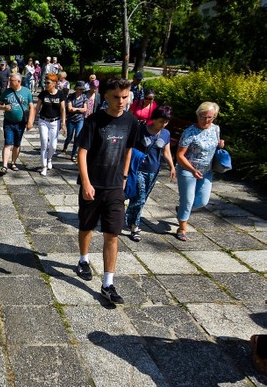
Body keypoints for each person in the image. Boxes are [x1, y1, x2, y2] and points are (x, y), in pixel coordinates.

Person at [75, 78, 139, 304]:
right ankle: (83, 259)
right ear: (105, 96)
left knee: (113, 234)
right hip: (93, 183)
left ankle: (108, 283)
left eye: (125, 97)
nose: (121, 101)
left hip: (114, 187)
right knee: (86, 226)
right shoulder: (94, 121)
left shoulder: (131, 121)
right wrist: (86, 182)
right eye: (116, 97)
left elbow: (128, 150)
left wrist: (123, 178)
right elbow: (82, 153)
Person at [124, 106, 176, 241]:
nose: (163, 124)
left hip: (154, 170)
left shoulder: (165, 133)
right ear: (153, 119)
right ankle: (135, 226)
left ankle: (128, 217)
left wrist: (172, 166)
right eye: (160, 121)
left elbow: (166, 151)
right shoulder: (141, 130)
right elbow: (129, 148)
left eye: (166, 122)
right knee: (140, 198)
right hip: (139, 169)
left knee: (141, 199)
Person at [175, 102, 224, 241]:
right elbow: (179, 155)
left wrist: (220, 144)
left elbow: (214, 144)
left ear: (214, 117)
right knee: (188, 200)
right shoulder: (189, 132)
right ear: (198, 115)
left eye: (210, 117)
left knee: (202, 201)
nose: (206, 120)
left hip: (206, 171)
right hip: (188, 170)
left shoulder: (215, 129)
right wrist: (192, 169)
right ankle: (182, 228)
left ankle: (182, 210)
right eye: (203, 116)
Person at [0, 73, 34, 175]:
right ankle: (4, 166)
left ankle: (13, 163)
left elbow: (32, 107)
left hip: (21, 123)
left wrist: (30, 121)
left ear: (18, 82)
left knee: (17, 144)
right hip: (8, 122)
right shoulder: (6, 92)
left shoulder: (27, 92)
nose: (9, 82)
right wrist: (3, 107)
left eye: (11, 81)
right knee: (8, 143)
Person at [33, 73, 67, 176]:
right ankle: (44, 166)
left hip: (55, 122)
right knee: (44, 144)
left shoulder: (60, 94)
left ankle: (49, 159)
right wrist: (31, 120)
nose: (46, 84)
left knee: (53, 145)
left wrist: (63, 123)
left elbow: (62, 109)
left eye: (48, 82)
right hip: (43, 121)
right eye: (45, 82)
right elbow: (37, 108)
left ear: (54, 83)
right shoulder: (43, 94)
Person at [63, 81, 88, 162]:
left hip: (80, 119)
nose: (81, 91)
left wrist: (76, 109)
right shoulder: (70, 96)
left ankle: (73, 154)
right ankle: (65, 145)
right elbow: (70, 109)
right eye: (79, 89)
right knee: (69, 136)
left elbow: (85, 109)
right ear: (76, 89)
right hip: (70, 119)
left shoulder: (84, 97)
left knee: (77, 136)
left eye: (82, 89)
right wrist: (78, 109)